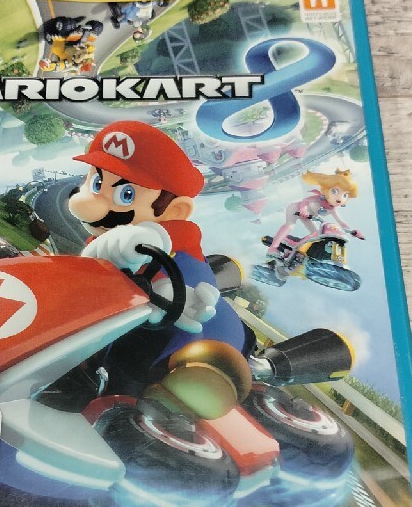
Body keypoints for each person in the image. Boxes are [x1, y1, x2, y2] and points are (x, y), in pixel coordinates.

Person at [68, 121, 251, 421]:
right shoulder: (111, 240)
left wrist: (167, 295)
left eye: (126, 194)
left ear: (174, 211)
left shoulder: (174, 255)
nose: (88, 202)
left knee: (131, 390)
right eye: (96, 184)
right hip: (104, 336)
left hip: (179, 354)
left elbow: (193, 292)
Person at [266, 167, 362, 262]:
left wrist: (352, 231)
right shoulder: (319, 199)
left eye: (345, 195)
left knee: (316, 234)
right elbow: (306, 201)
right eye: (335, 191)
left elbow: (341, 222)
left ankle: (295, 252)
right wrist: (303, 209)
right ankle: (273, 248)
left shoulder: (332, 209)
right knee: (290, 225)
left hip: (307, 216)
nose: (340, 198)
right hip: (296, 209)